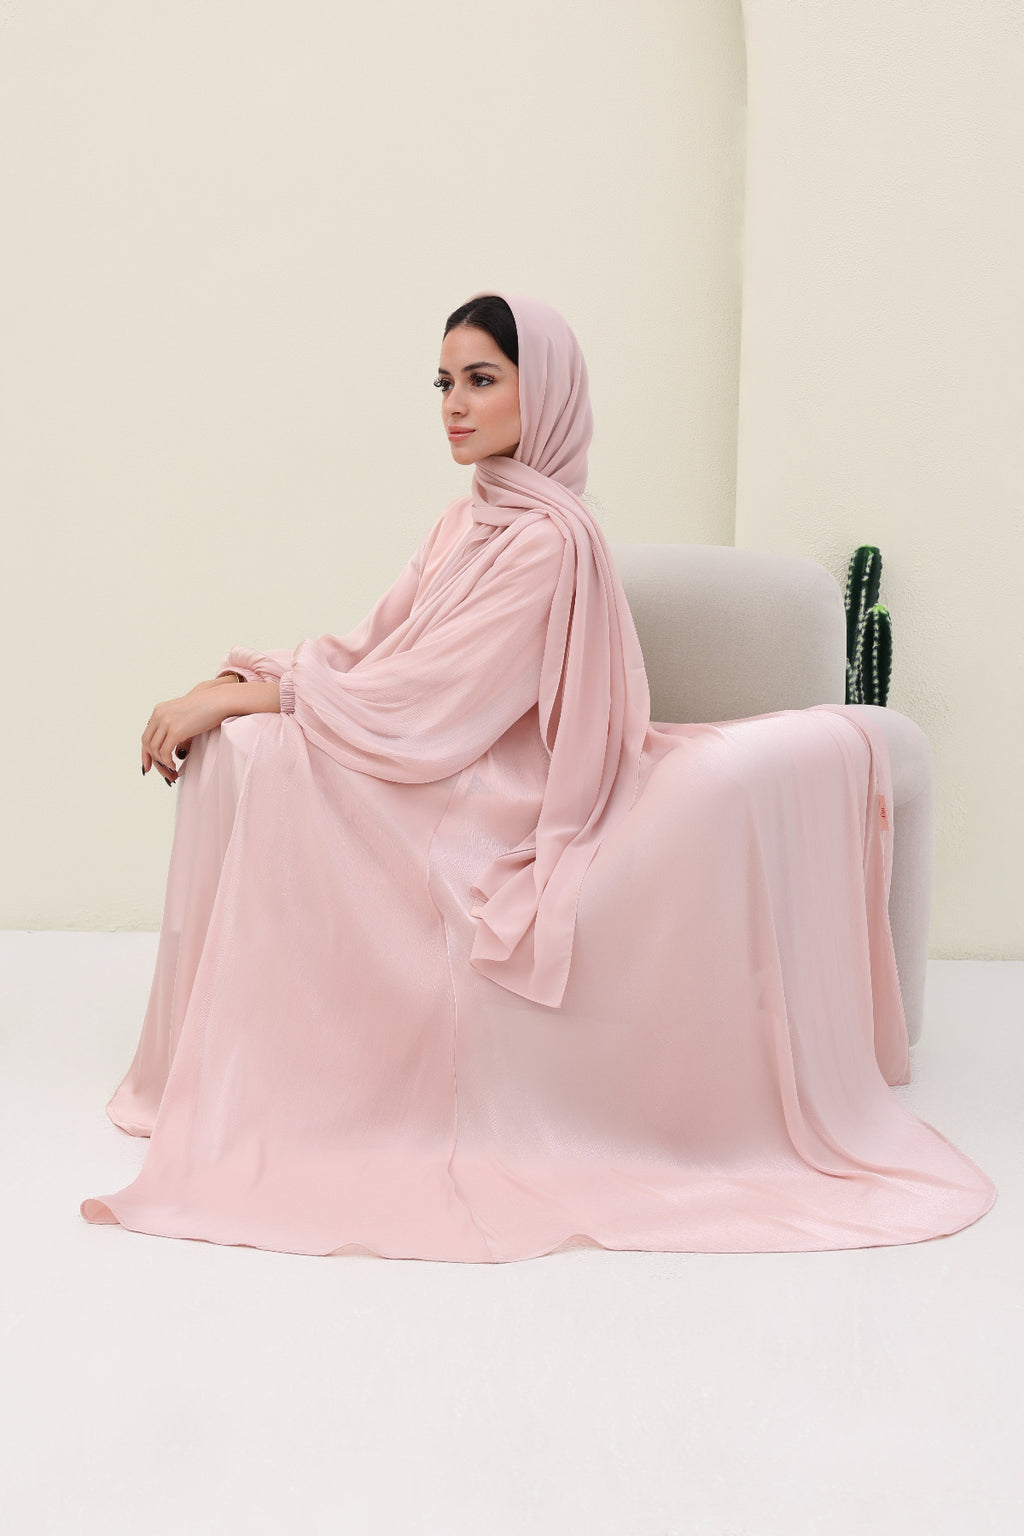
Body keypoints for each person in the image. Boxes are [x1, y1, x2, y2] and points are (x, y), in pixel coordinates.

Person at [82, 293, 994, 1260]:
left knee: (268, 754)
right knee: (248, 757)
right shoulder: (467, 518)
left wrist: (252, 702)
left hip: (490, 784)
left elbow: (439, 703)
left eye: (482, 380)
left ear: (543, 391)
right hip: (431, 748)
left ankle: (297, 1076)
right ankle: (238, 1062)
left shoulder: (550, 538)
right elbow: (372, 651)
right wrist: (241, 681)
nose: (454, 406)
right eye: (445, 383)